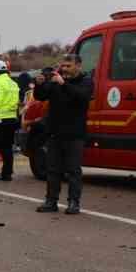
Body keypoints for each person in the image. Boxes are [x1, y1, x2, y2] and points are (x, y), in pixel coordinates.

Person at [35, 53, 94, 215]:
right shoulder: (56, 81)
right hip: (55, 133)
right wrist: (39, 84)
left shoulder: (86, 81)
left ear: (78, 66)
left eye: (69, 66)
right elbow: (40, 96)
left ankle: (74, 202)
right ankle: (51, 201)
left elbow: (82, 97)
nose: (65, 69)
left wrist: (64, 84)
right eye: (63, 66)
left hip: (75, 134)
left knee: (73, 170)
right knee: (53, 169)